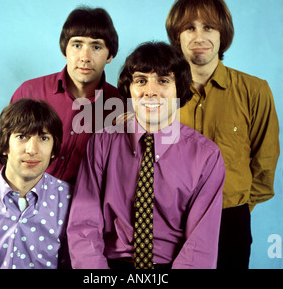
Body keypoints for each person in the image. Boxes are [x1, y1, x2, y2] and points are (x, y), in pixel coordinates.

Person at [66, 42, 225, 269]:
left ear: (179, 89)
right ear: (129, 89)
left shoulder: (206, 157)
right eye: (141, 81)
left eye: (163, 81)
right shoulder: (102, 142)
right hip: (109, 266)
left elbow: (200, 245)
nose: (150, 91)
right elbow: (84, 224)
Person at [166, 0, 280, 269]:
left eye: (209, 27)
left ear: (222, 34)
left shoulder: (255, 90)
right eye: (189, 28)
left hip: (231, 220)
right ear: (177, 37)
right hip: (172, 221)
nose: (199, 37)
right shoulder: (160, 93)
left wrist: (239, 204)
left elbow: (265, 161)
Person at [0, 6, 120, 185]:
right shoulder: (30, 91)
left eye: (96, 47)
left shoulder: (120, 105)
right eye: (77, 45)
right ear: (65, 51)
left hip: (78, 207)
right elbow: (2, 154)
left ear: (109, 55)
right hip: (19, 198)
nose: (85, 57)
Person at [0, 99, 73, 269]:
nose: (32, 150)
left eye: (44, 138)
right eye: (22, 136)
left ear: (54, 149)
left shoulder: (71, 201)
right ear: (5, 145)